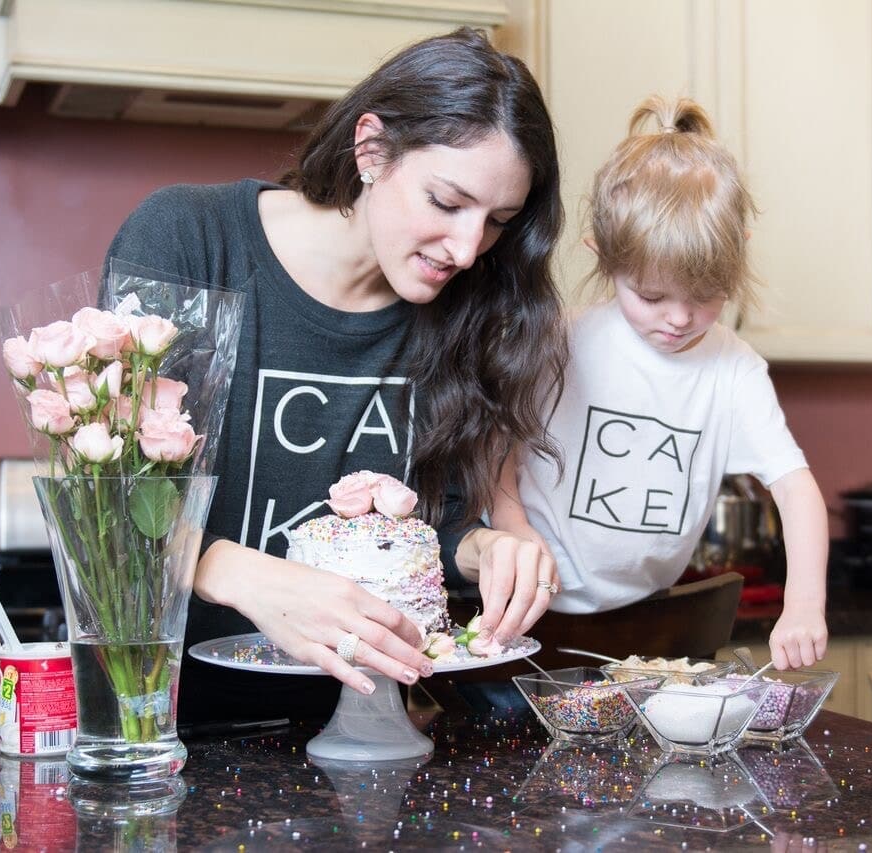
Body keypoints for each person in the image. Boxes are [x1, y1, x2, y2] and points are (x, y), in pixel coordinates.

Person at [105, 27, 564, 723]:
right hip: (160, 728)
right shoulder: (187, 239)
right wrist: (246, 573)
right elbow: (108, 507)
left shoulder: (463, 310)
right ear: (372, 148)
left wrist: (486, 548)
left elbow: (426, 530)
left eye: (497, 220)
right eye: (446, 202)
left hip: (359, 736)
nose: (470, 249)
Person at [489, 96, 829, 671]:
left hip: (646, 619)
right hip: (528, 615)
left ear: (736, 259)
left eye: (704, 297)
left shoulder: (734, 369)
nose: (678, 318)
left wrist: (802, 603)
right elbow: (495, 446)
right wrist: (513, 527)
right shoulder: (558, 342)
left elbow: (795, 488)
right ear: (602, 256)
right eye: (650, 296)